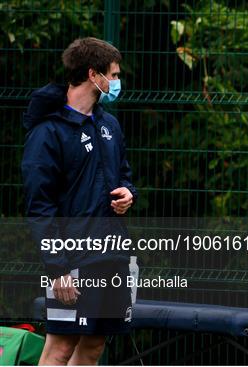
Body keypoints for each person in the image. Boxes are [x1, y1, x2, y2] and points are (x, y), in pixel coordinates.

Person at [21, 37, 137, 365]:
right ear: (92, 74)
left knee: (94, 346)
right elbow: (39, 208)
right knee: (59, 348)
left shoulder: (109, 125)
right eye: (113, 75)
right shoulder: (48, 133)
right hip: (72, 261)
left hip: (112, 255)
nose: (116, 82)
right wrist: (57, 269)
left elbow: (123, 176)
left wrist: (128, 194)